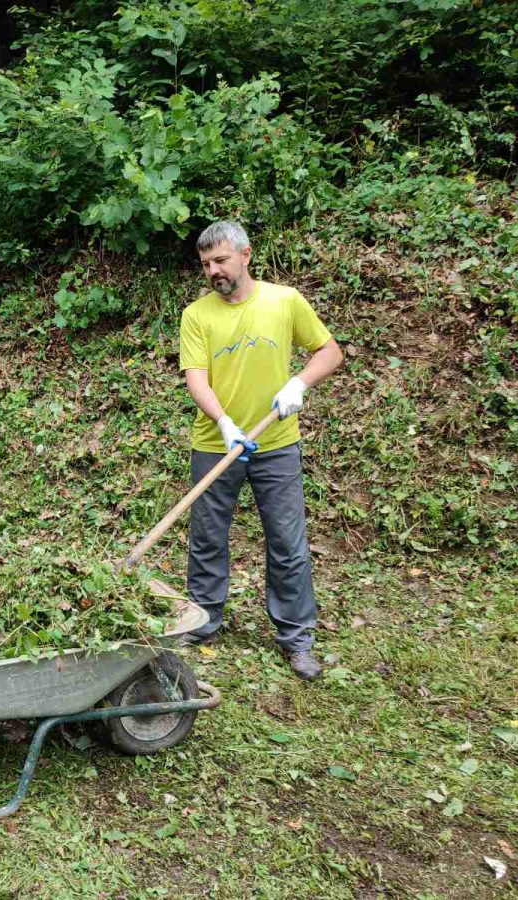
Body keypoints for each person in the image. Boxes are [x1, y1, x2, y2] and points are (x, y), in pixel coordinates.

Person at [177, 220, 343, 681]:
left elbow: (329, 353)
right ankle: (204, 620)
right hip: (215, 445)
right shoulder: (197, 315)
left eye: (221, 260)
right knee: (208, 537)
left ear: (246, 255)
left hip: (276, 446)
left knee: (287, 542)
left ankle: (296, 638)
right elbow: (196, 378)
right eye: (206, 264)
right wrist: (225, 422)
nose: (213, 271)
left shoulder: (284, 301)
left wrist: (299, 382)